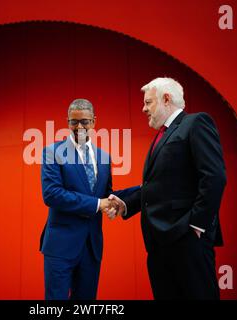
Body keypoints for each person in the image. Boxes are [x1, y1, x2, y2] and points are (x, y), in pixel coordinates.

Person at [107, 77, 226, 299]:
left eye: (148, 102)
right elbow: (157, 186)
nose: (143, 109)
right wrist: (126, 203)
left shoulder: (195, 123)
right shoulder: (161, 136)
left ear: (166, 99)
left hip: (187, 240)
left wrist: (197, 226)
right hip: (159, 245)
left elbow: (214, 176)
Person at [40, 98, 138, 300]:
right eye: (73, 122)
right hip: (60, 246)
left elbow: (106, 196)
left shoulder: (104, 157)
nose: (79, 127)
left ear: (94, 121)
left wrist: (143, 189)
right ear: (67, 122)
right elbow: (52, 194)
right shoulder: (52, 152)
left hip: (91, 246)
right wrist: (97, 204)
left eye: (84, 121)